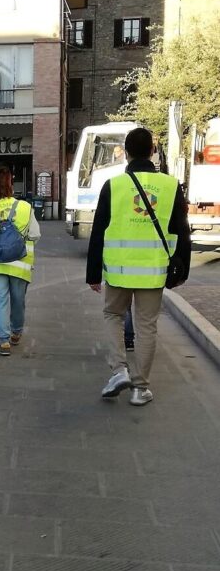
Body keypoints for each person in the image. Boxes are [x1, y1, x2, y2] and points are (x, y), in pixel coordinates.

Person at [87, 127, 191, 406]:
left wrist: (93, 273)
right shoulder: (170, 186)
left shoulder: (114, 185)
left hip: (118, 271)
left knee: (113, 315)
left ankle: (119, 370)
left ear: (127, 152)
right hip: (153, 272)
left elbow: (98, 231)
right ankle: (140, 388)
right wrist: (183, 270)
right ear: (153, 152)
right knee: (146, 327)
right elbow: (182, 230)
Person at [0, 165, 41, 356]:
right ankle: (16, 332)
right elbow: (35, 234)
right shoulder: (25, 207)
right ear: (11, 184)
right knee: (18, 300)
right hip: (20, 264)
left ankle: (4, 341)